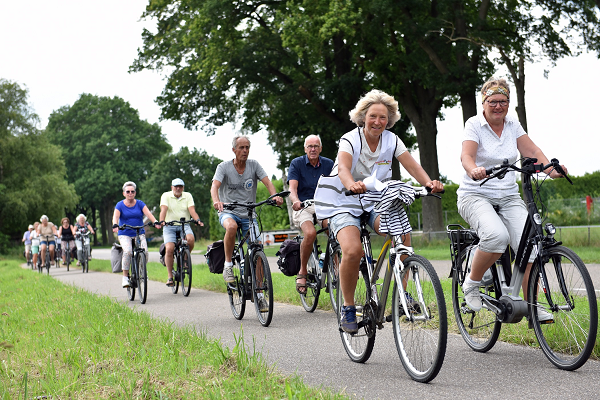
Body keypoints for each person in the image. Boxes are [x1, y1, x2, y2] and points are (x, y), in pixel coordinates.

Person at [314, 89, 443, 333]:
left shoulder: (392, 140)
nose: (378, 122)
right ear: (363, 117)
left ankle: (401, 295)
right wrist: (351, 183)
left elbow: (411, 165)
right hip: (345, 199)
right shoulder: (350, 139)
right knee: (352, 251)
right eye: (373, 116)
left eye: (383, 118)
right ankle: (349, 308)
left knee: (402, 234)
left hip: (375, 200)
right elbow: (342, 167)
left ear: (389, 120)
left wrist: (428, 183)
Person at [457, 77, 567, 322]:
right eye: (493, 101)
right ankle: (472, 284)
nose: (498, 106)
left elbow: (533, 152)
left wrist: (550, 169)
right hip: (475, 194)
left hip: (508, 196)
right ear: (483, 102)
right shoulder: (474, 124)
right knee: (497, 236)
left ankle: (531, 305)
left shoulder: (513, 125)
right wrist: (473, 169)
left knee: (531, 247)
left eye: (503, 101)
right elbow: (466, 155)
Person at [211, 135, 284, 294]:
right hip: (228, 211)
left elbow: (268, 182)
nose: (245, 151)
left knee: (257, 247)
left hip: (249, 213)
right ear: (234, 150)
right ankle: (228, 265)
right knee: (231, 227)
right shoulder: (223, 167)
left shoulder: (254, 165)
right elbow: (214, 187)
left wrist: (275, 196)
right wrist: (217, 201)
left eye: (247, 148)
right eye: (241, 148)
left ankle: (258, 292)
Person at [287, 134, 334, 294]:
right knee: (310, 233)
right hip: (303, 206)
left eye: (316, 146)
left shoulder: (329, 164)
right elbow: (292, 189)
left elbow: (336, 185)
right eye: (310, 146)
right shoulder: (297, 164)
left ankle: (337, 266)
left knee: (334, 231)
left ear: (320, 148)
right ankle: (302, 271)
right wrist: (295, 201)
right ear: (305, 149)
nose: (313, 149)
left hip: (323, 206)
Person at [112, 181, 161, 288]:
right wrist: (115, 225)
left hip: (139, 232)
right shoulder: (120, 205)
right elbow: (115, 216)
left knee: (145, 252)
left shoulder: (139, 203)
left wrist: (155, 222)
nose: (130, 193)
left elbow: (148, 213)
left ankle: (142, 272)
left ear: (135, 193)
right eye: (128, 191)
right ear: (124, 193)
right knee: (128, 251)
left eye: (132, 191)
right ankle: (125, 277)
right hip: (124, 233)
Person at [159, 178, 204, 287]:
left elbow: (192, 210)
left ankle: (185, 260)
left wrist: (197, 220)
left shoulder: (187, 195)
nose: (178, 188)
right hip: (169, 226)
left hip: (184, 225)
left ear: (183, 187)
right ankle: (170, 277)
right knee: (169, 248)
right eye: (176, 186)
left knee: (190, 239)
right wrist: (162, 221)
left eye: (180, 186)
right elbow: (163, 210)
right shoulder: (166, 195)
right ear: (172, 187)